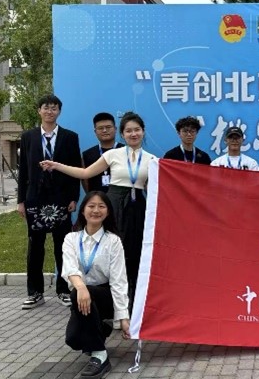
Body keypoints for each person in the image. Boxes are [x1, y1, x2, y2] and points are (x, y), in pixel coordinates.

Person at [40, 112, 156, 309]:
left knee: (135, 256)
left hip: (137, 210)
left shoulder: (152, 160)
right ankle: (107, 305)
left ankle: (132, 307)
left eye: (137, 130)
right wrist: (57, 165)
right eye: (128, 131)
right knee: (110, 254)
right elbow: (85, 173)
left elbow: (155, 189)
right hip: (113, 207)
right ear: (122, 134)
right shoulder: (112, 155)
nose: (133, 134)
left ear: (143, 132)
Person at [18, 95, 81, 309]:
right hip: (35, 198)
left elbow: (75, 168)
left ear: (59, 112)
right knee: (35, 247)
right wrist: (21, 201)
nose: (49, 111)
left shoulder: (70, 137)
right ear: (39, 110)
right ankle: (35, 292)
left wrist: (74, 197)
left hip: (60, 198)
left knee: (62, 246)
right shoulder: (28, 137)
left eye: (54, 108)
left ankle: (63, 290)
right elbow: (23, 170)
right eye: (46, 107)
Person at [62, 191, 130, 378]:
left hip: (105, 296)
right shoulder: (71, 239)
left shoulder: (113, 241)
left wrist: (123, 317)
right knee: (73, 340)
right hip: (82, 296)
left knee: (79, 294)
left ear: (107, 212)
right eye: (91, 206)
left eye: (101, 206)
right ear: (82, 210)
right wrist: (81, 287)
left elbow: (119, 281)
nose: (96, 210)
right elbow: (70, 269)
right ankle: (101, 327)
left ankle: (100, 355)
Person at [82, 112, 124, 193]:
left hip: (122, 198)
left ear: (115, 129)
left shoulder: (125, 151)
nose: (104, 130)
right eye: (100, 128)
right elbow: (85, 180)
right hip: (97, 199)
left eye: (108, 127)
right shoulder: (87, 155)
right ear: (95, 132)